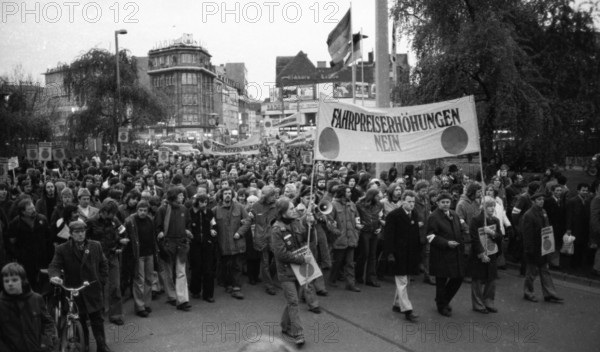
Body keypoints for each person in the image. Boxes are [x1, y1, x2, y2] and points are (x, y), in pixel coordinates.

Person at [48, 221, 111, 352]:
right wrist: (55, 276)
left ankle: (102, 346)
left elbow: (103, 264)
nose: (81, 234)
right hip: (74, 290)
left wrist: (101, 281)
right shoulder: (62, 249)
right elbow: (54, 266)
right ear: (70, 234)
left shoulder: (95, 246)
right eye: (77, 232)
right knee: (80, 320)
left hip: (92, 288)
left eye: (82, 231)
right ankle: (85, 345)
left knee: (97, 320)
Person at [271, 198, 313, 347]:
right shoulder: (276, 229)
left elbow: (306, 240)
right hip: (285, 271)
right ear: (282, 212)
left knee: (291, 300)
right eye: (290, 209)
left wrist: (310, 226)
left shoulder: (296, 222)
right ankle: (298, 334)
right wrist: (302, 259)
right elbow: (281, 254)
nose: (294, 210)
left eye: (294, 207)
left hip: (298, 270)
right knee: (294, 301)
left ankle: (284, 325)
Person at [87, 199, 128, 324]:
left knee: (115, 286)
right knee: (96, 287)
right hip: (97, 260)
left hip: (112, 256)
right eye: (111, 213)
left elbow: (124, 234)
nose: (113, 216)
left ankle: (116, 315)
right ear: (104, 211)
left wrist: (120, 246)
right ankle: (95, 315)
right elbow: (85, 240)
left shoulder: (115, 221)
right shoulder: (91, 222)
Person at [0, 262, 57, 352]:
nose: (10, 284)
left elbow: (48, 323)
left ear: (22, 280)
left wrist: (45, 343)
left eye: (14, 280)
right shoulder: (2, 303)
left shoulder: (36, 299)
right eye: (6, 281)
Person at [426, 192, 466, 317]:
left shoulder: (454, 214)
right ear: (437, 203)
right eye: (442, 202)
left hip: (455, 253)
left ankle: (443, 300)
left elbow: (460, 229)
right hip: (441, 254)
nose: (445, 204)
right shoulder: (433, 217)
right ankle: (441, 306)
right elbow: (430, 236)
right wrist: (446, 243)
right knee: (441, 281)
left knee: (458, 278)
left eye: (447, 202)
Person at [384, 190, 421, 322]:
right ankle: (407, 309)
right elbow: (388, 236)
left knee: (405, 281)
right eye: (409, 201)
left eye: (413, 202)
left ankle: (397, 304)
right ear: (402, 201)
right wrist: (390, 254)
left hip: (410, 254)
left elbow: (416, 235)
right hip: (398, 254)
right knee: (402, 281)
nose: (411, 204)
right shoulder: (394, 215)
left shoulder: (414, 214)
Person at [155, 187, 193, 311]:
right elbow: (157, 226)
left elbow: (188, 224)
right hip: (167, 245)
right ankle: (171, 296)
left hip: (181, 244)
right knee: (167, 272)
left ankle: (182, 300)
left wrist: (188, 231)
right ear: (174, 197)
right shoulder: (163, 209)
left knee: (181, 272)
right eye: (180, 195)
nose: (183, 197)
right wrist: (160, 233)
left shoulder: (184, 209)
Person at [522, 192, 563, 303]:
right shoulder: (528, 215)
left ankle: (550, 294)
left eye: (542, 199)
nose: (541, 201)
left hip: (544, 247)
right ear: (534, 201)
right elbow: (527, 235)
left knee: (545, 271)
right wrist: (529, 250)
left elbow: (547, 228)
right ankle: (528, 293)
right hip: (533, 248)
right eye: (539, 199)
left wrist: (549, 244)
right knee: (531, 273)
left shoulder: (544, 212)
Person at [213, 187, 250, 299]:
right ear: (221, 196)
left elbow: (248, 221)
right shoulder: (216, 209)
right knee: (225, 265)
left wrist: (240, 232)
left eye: (229, 193)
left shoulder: (240, 207)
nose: (228, 195)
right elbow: (211, 223)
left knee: (237, 265)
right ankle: (228, 284)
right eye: (225, 194)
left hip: (237, 243)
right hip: (223, 243)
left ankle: (236, 287)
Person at [7, 198, 51, 292]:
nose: (34, 210)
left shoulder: (42, 219)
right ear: (23, 212)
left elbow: (48, 239)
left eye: (33, 207)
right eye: (30, 209)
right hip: (26, 261)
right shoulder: (15, 223)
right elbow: (10, 243)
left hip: (42, 259)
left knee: (43, 285)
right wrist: (18, 255)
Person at [469, 197, 503, 313]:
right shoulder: (476, 220)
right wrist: (481, 253)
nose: (492, 208)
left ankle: (488, 302)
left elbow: (500, 237)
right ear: (483, 207)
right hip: (479, 255)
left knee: (491, 279)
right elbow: (474, 238)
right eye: (489, 206)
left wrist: (492, 233)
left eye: (493, 206)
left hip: (492, 253)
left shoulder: (495, 220)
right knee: (478, 280)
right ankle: (478, 304)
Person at [124, 200, 156, 317]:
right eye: (140, 210)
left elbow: (153, 237)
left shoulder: (150, 220)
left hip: (149, 253)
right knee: (139, 281)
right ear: (137, 210)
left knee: (149, 279)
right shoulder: (130, 221)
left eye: (145, 210)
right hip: (138, 255)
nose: (143, 212)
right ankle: (139, 306)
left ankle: (147, 304)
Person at [328, 185, 362, 292]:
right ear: (342, 193)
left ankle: (350, 284)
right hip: (340, 239)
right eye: (348, 192)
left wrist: (357, 231)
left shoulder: (352, 204)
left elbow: (357, 219)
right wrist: (336, 233)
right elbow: (329, 222)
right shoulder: (333, 205)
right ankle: (331, 279)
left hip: (351, 238)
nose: (350, 193)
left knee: (350, 263)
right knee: (337, 262)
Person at [189, 194, 218, 302]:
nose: (204, 204)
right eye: (201, 202)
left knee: (208, 269)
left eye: (205, 202)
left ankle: (208, 294)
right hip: (194, 244)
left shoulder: (209, 212)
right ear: (197, 202)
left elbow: (214, 224)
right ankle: (195, 291)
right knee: (196, 268)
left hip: (207, 244)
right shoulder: (191, 212)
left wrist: (213, 230)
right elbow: (188, 225)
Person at [250, 186, 279, 296]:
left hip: (274, 238)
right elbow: (250, 219)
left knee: (277, 260)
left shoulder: (277, 205)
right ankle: (269, 285)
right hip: (261, 238)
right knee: (265, 263)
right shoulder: (256, 206)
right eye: (271, 195)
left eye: (274, 195)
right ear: (265, 196)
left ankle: (269, 277)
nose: (274, 197)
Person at [355, 188, 383, 287]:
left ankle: (371, 278)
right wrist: (358, 225)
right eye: (378, 195)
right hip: (364, 232)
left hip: (374, 231)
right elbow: (356, 216)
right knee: (364, 253)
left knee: (372, 255)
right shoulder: (359, 204)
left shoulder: (379, 205)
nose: (380, 197)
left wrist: (379, 227)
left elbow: (380, 217)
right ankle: (358, 275)